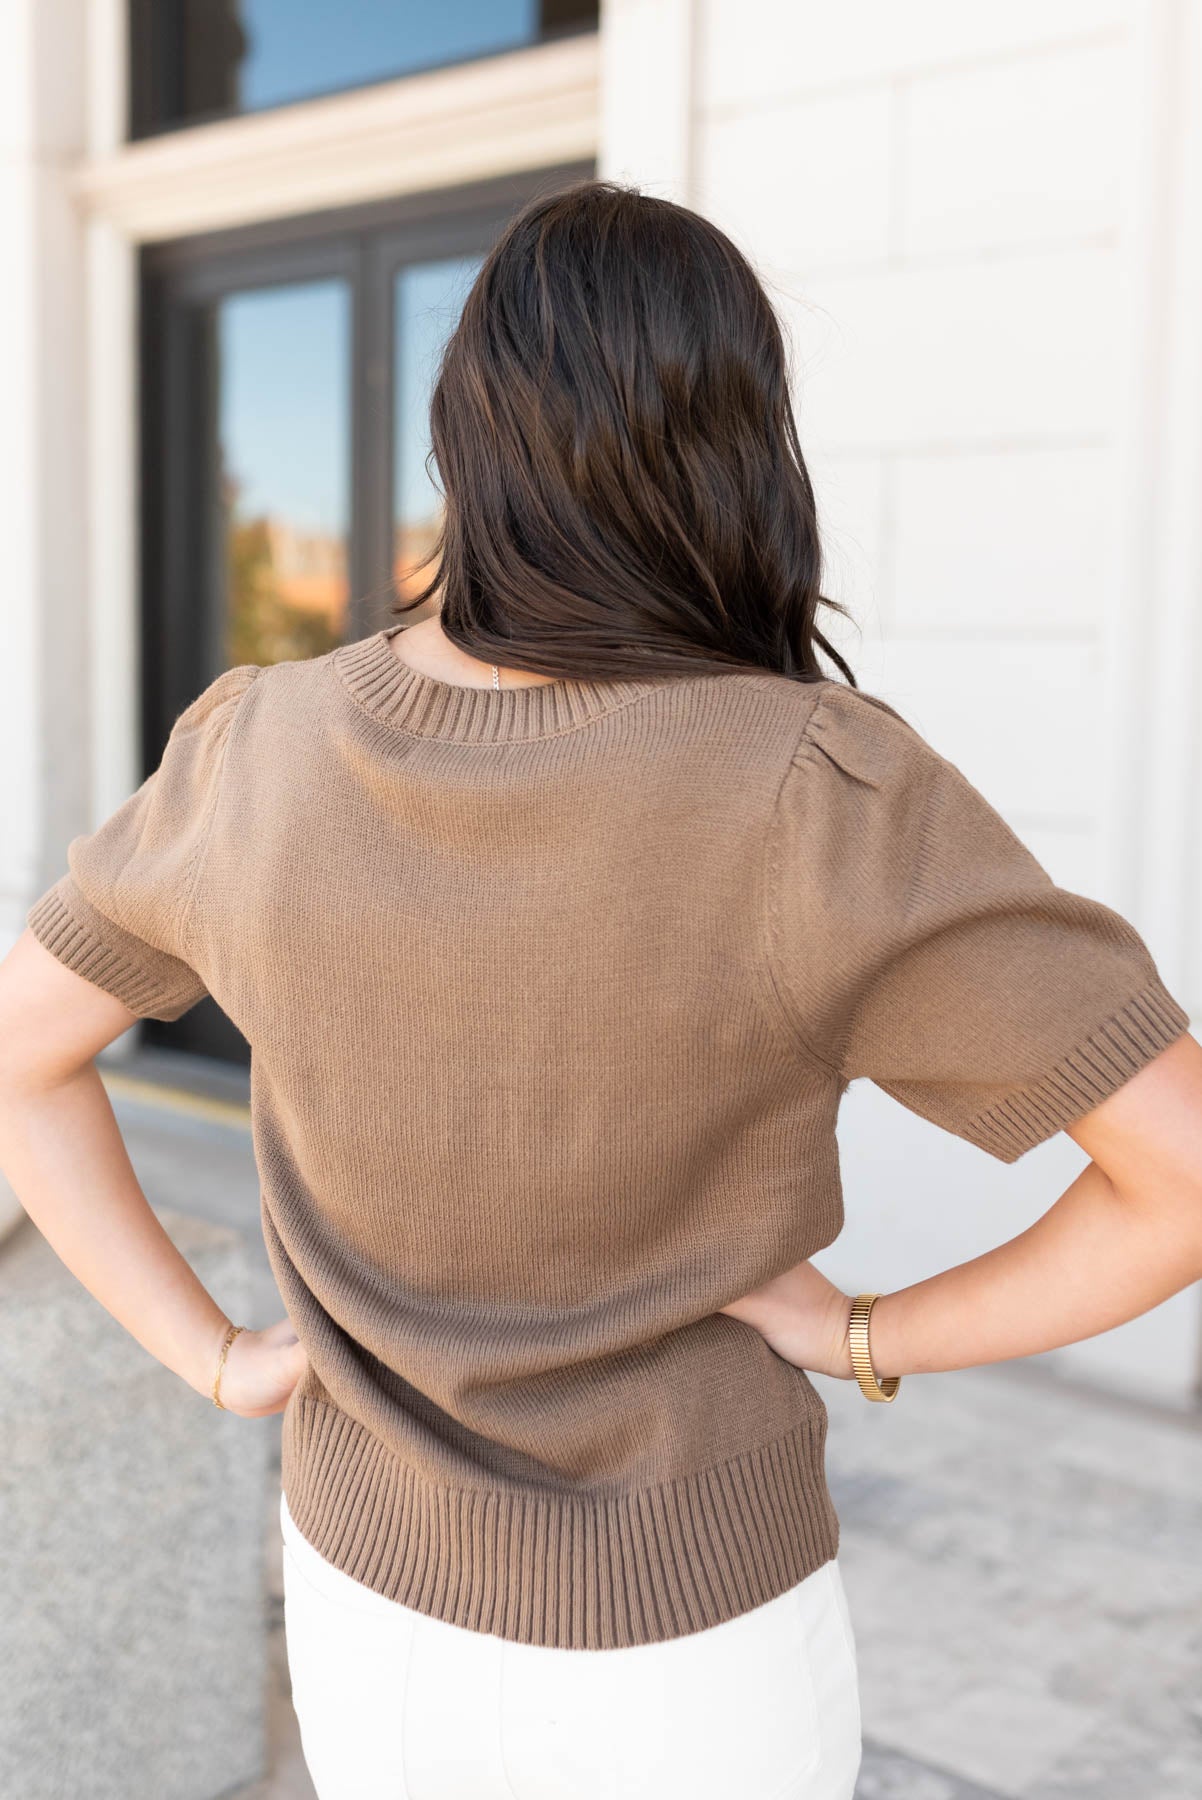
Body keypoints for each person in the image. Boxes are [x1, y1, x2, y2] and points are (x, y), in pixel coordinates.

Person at [1, 178, 1200, 1800]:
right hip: (690, 1652)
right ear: (738, 447)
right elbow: (1180, 1178)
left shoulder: (256, 750)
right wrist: (861, 1331)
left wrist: (215, 1358)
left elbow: (20, 1057)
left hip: (365, 1603)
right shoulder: (815, 789)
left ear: (464, 440)